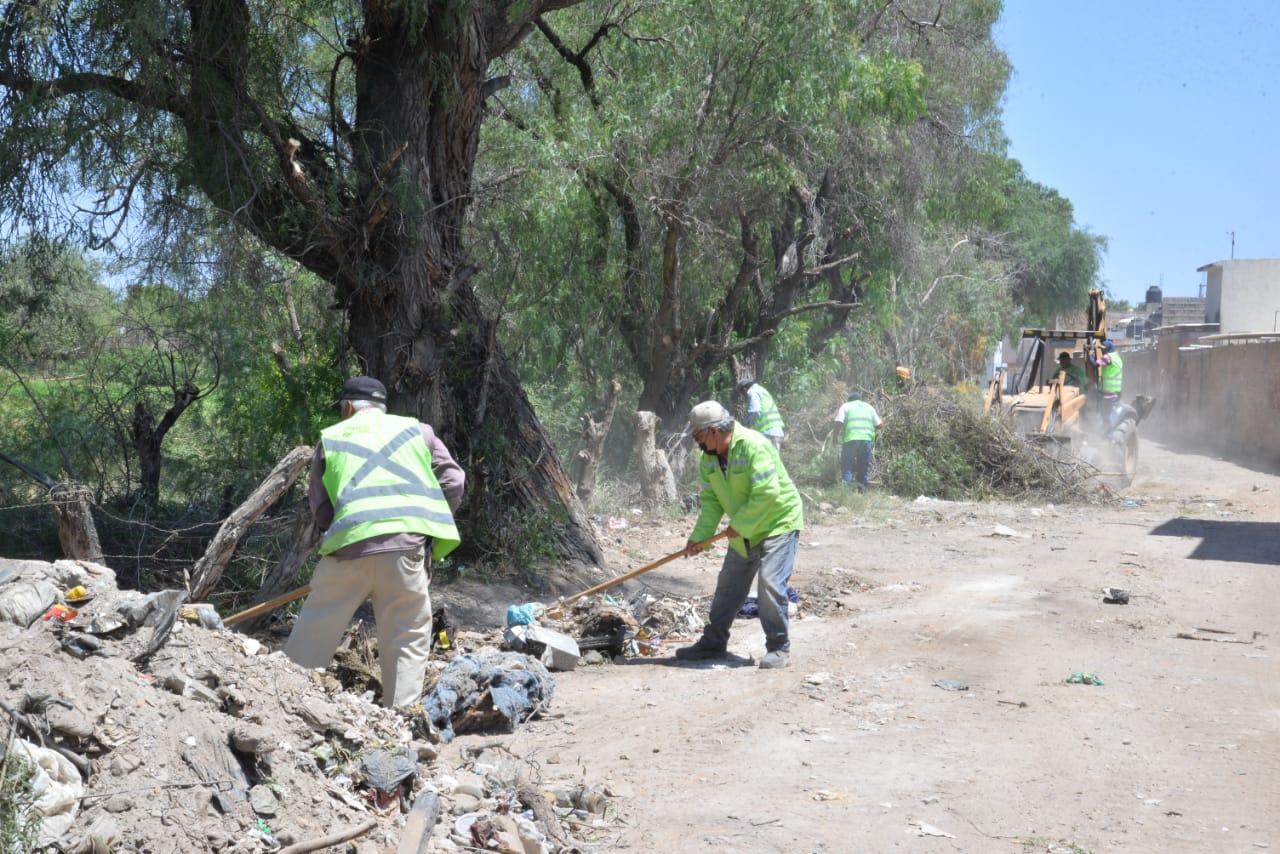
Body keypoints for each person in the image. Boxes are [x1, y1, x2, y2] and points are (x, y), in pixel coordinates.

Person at [285, 376, 464, 708]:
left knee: (314, 630)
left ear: (349, 407)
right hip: (405, 548)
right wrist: (426, 524)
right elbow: (454, 480)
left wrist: (345, 530)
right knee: (407, 635)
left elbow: (321, 508)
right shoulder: (418, 431)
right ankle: (401, 721)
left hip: (348, 549)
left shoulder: (332, 438)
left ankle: (289, 706)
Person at [675, 400, 804, 669]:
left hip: (778, 522)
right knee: (729, 586)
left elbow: (767, 492)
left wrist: (741, 525)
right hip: (744, 527)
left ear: (712, 430)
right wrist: (700, 537)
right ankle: (713, 642)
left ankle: (778, 647)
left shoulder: (753, 445)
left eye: (698, 436)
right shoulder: (708, 457)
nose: (696, 443)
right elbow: (712, 501)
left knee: (769, 584)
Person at [832, 391, 883, 489]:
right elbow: (880, 425)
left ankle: (846, 492)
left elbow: (839, 422)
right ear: (860, 399)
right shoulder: (869, 407)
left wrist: (835, 438)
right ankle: (862, 491)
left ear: (849, 400)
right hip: (866, 440)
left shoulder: (846, 406)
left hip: (851, 439)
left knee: (847, 465)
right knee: (863, 466)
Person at [736, 377, 785, 450]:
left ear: (744, 389)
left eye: (742, 393)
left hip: (767, 431)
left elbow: (754, 411)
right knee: (774, 459)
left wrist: (745, 423)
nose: (743, 396)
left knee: (765, 459)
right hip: (776, 430)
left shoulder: (752, 392)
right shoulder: (761, 390)